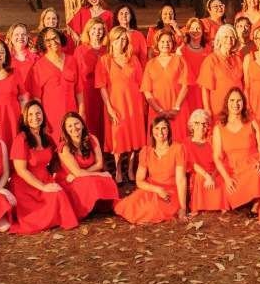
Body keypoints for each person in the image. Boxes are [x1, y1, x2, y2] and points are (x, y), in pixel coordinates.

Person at [9, 101, 80, 233]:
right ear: (25, 118)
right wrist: (43, 187)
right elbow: (21, 170)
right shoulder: (21, 139)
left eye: (38, 113)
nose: (35, 117)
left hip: (44, 178)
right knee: (51, 201)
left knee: (59, 195)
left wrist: (71, 173)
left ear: (43, 115)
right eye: (30, 114)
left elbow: (56, 161)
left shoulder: (47, 138)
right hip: (25, 184)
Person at [97, 25, 148, 183]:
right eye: (118, 39)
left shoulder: (133, 59)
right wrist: (109, 108)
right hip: (115, 104)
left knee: (134, 138)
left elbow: (142, 83)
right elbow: (102, 86)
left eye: (124, 39)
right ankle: (118, 170)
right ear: (112, 41)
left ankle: (131, 168)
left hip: (134, 104)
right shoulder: (104, 60)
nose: (121, 42)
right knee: (117, 138)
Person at [114, 118, 188, 224]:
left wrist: (183, 208)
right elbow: (139, 181)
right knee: (130, 205)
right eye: (156, 128)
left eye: (164, 128)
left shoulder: (178, 149)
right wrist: (157, 189)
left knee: (153, 208)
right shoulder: (146, 151)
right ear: (152, 131)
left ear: (169, 130)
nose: (160, 132)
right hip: (152, 188)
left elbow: (181, 179)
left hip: (170, 191)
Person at [55, 112, 120, 218]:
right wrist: (100, 174)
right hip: (70, 180)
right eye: (69, 126)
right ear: (65, 130)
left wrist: (91, 173)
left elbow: (99, 164)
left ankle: (101, 205)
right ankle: (86, 209)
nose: (74, 128)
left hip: (85, 174)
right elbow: (77, 172)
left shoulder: (92, 139)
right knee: (91, 181)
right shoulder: (64, 147)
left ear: (82, 124)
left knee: (108, 180)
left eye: (76, 123)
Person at [212, 88, 260, 210]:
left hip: (251, 164)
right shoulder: (219, 127)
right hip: (232, 169)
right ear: (227, 103)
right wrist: (227, 178)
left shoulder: (252, 122)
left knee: (256, 173)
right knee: (228, 189)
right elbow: (217, 157)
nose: (235, 104)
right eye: (232, 100)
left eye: (239, 101)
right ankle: (245, 199)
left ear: (244, 103)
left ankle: (256, 204)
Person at [28, 27, 82, 136]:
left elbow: (79, 91)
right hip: (51, 118)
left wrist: (82, 113)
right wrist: (42, 122)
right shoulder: (38, 66)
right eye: (48, 40)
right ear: (43, 44)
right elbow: (37, 99)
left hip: (72, 116)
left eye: (55, 37)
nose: (53, 42)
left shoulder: (72, 60)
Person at [142, 29, 191, 141]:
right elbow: (147, 90)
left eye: (168, 41)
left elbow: (185, 85)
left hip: (178, 107)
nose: (165, 44)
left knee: (179, 139)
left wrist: (176, 108)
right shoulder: (151, 63)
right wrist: (159, 110)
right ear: (157, 44)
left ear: (173, 43)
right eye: (162, 41)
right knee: (158, 139)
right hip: (157, 108)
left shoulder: (180, 60)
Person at [73, 17, 109, 145]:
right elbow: (76, 73)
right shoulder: (80, 50)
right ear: (88, 30)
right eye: (94, 28)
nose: (97, 32)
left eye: (100, 29)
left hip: (104, 90)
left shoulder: (107, 50)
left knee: (104, 120)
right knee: (90, 120)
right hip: (87, 90)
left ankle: (105, 151)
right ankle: (91, 148)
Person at [185, 109, 229, 213]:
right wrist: (207, 176)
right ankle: (198, 207)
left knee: (221, 178)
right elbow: (192, 164)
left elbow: (220, 160)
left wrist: (212, 176)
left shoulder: (212, 140)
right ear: (192, 125)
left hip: (214, 172)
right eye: (197, 123)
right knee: (200, 179)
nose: (201, 127)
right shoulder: (186, 143)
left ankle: (221, 205)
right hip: (199, 173)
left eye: (204, 124)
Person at [198, 25, 244, 118]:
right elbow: (205, 88)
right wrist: (207, 109)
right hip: (219, 106)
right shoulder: (211, 59)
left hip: (237, 105)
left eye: (232, 37)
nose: (229, 40)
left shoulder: (238, 58)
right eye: (226, 37)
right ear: (219, 39)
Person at [6, 22, 39, 89]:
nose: (20, 37)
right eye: (17, 35)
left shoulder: (36, 57)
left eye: (23, 34)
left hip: (32, 96)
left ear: (27, 37)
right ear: (11, 37)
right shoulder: (5, 58)